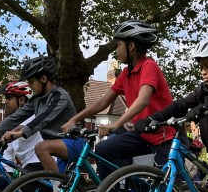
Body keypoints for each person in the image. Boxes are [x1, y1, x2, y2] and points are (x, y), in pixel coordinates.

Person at [62, 21, 177, 173]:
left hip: (164, 136)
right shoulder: (125, 74)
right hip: (143, 134)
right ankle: (111, 189)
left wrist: (116, 125)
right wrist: (75, 119)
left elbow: (143, 100)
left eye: (119, 45)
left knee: (167, 184)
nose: (116, 50)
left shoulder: (148, 65)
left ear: (131, 46)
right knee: (103, 149)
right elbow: (103, 102)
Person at [136, 37, 208, 177]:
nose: (203, 71)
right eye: (201, 67)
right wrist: (152, 118)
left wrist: (203, 108)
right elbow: (181, 104)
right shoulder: (203, 90)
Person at [0, 57, 76, 192]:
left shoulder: (59, 96)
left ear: (44, 79)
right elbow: (14, 118)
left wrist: (22, 132)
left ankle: (60, 191)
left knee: (40, 148)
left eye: (32, 82)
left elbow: (44, 118)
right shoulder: (36, 99)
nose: (30, 87)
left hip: (72, 143)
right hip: (53, 150)